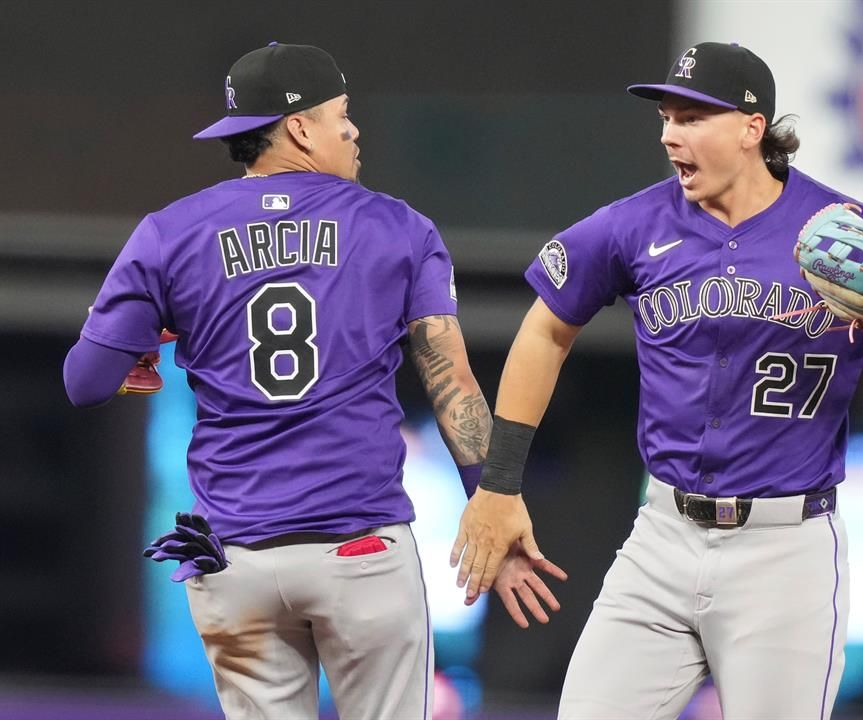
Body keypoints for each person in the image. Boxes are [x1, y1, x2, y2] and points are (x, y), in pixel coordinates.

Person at [451, 42, 863, 719]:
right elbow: (544, 328)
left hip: (785, 551)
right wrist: (500, 482)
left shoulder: (840, 232)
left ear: (752, 129)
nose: (668, 134)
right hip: (663, 534)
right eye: (666, 117)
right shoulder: (636, 223)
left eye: (691, 117)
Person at [63, 42, 563, 720]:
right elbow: (453, 381)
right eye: (342, 115)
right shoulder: (397, 228)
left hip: (231, 556)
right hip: (357, 545)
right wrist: (492, 500)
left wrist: (142, 370)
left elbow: (86, 380)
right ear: (299, 126)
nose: (353, 131)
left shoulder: (169, 233)